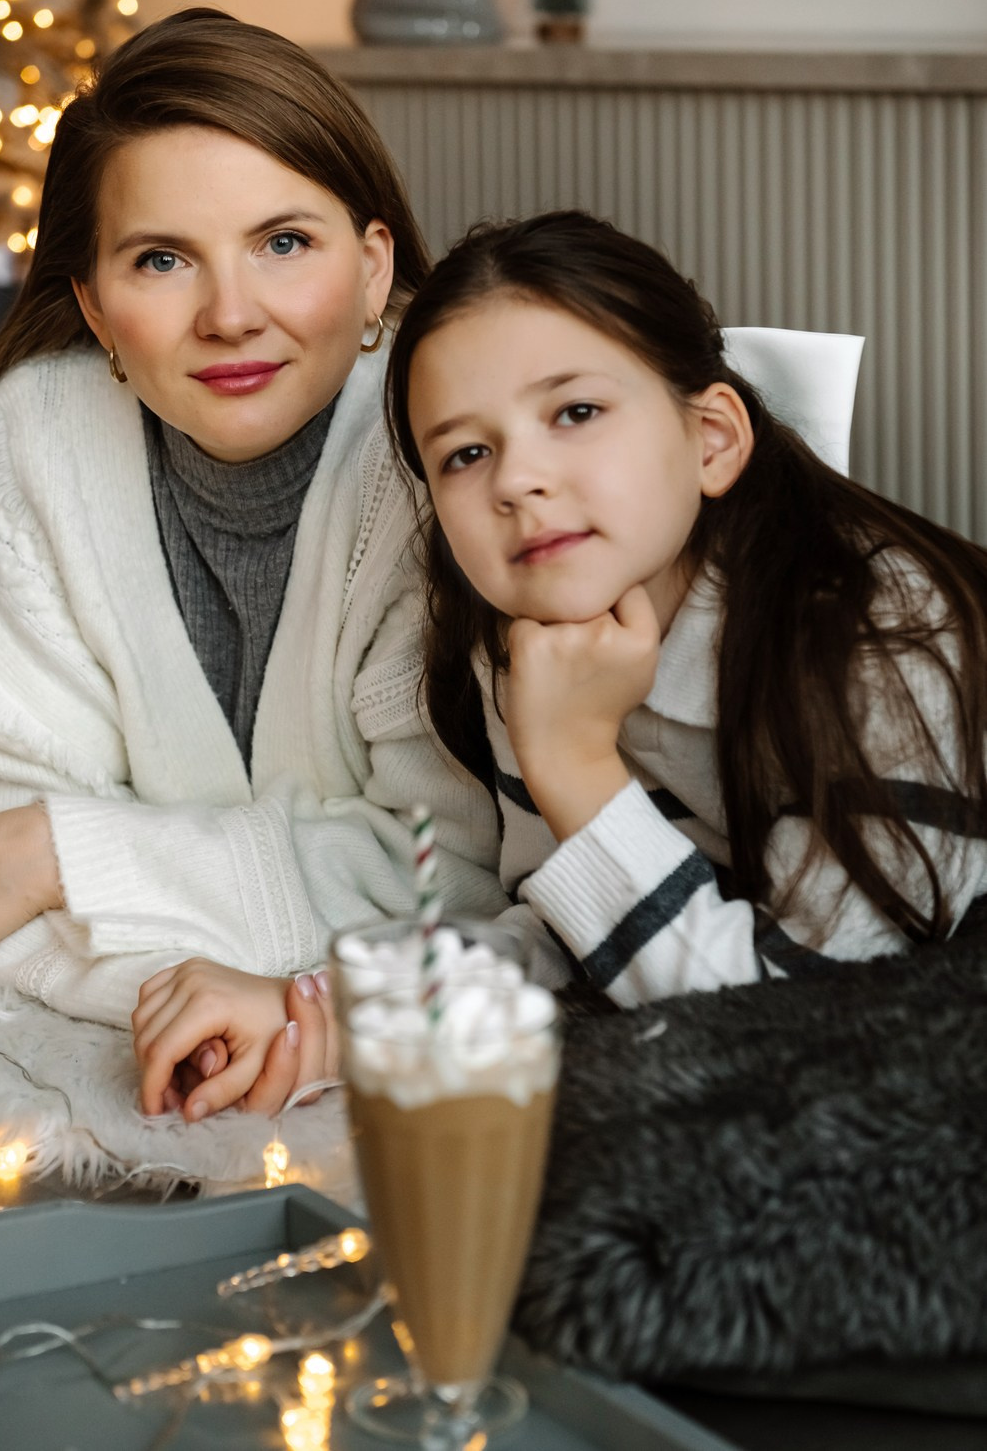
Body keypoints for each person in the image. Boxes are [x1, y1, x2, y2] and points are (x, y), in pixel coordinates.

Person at [0, 9, 507, 1118]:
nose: (229, 315)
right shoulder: (30, 449)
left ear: (373, 270)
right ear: (94, 307)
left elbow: (443, 881)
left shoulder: (448, 462)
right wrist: (230, 958)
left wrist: (63, 853)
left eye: (283, 243)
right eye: (162, 259)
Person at [385, 210, 987, 1008]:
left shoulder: (882, 637)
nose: (516, 480)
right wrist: (353, 1008)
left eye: (576, 413)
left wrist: (573, 761)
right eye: (465, 454)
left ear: (710, 439)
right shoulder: (530, 640)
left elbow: (788, 1013)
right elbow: (582, 925)